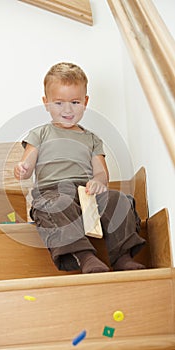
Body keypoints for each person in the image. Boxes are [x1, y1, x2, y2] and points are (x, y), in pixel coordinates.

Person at [14, 62, 145, 274]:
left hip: (87, 193)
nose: (67, 110)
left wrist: (98, 182)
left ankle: (122, 257)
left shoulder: (91, 139)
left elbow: (101, 172)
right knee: (56, 206)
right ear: (46, 103)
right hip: (52, 192)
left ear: (85, 102)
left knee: (118, 200)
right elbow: (27, 164)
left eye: (75, 102)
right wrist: (23, 168)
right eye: (59, 103)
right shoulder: (40, 134)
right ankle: (85, 257)